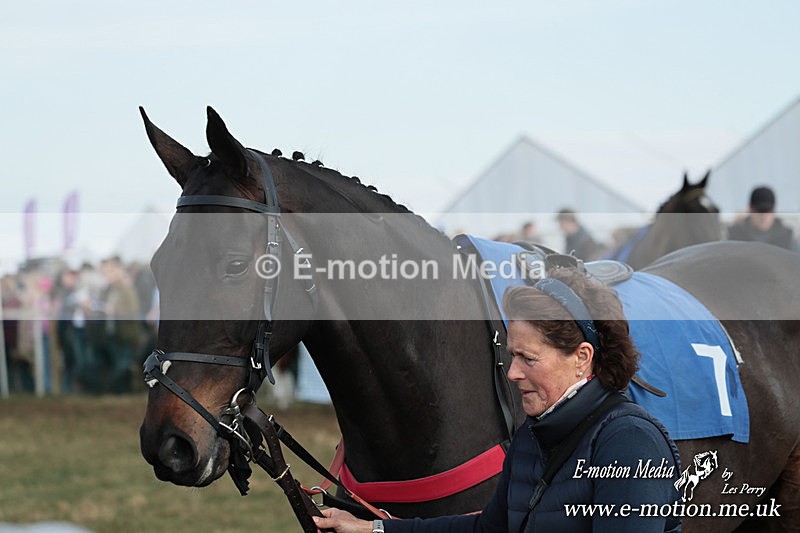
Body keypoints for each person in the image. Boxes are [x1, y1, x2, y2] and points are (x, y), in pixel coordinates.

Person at [314, 268, 681, 532]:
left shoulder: (631, 441)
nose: (513, 373)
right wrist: (375, 530)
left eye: (529, 359)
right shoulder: (532, 434)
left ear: (582, 358)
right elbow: (490, 528)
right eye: (512, 356)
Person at [727, 185, 796, 250]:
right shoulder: (735, 235)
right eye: (760, 210)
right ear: (750, 208)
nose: (764, 216)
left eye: (767, 211)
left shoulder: (787, 237)